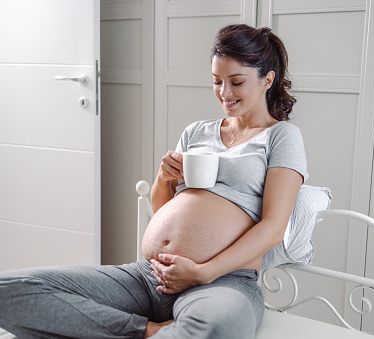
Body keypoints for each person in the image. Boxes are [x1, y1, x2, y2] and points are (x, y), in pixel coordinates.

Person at [0, 24, 308, 339]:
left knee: (217, 327)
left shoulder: (281, 136)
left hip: (221, 280)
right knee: (6, 290)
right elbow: (165, 210)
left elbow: (273, 226)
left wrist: (202, 273)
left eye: (236, 82)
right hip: (148, 275)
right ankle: (145, 330)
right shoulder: (197, 131)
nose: (224, 93)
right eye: (216, 81)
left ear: (267, 79)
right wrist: (164, 176)